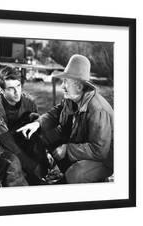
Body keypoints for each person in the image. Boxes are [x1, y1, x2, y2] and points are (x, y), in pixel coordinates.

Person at [17, 54, 114, 183]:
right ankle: (55, 173)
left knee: (75, 174)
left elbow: (99, 151)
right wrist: (37, 124)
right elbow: (55, 113)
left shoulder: (98, 110)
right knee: (40, 138)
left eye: (65, 82)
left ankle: (92, 181)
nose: (62, 86)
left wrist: (67, 149)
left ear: (79, 86)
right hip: (80, 145)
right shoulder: (72, 98)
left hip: (104, 159)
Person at [0, 66, 50, 186]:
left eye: (18, 86)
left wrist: (42, 156)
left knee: (39, 151)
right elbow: (8, 143)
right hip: (0, 142)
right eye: (11, 88)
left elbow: (37, 130)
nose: (17, 92)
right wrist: (30, 164)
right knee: (14, 163)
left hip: (20, 136)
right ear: (1, 90)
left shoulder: (29, 102)